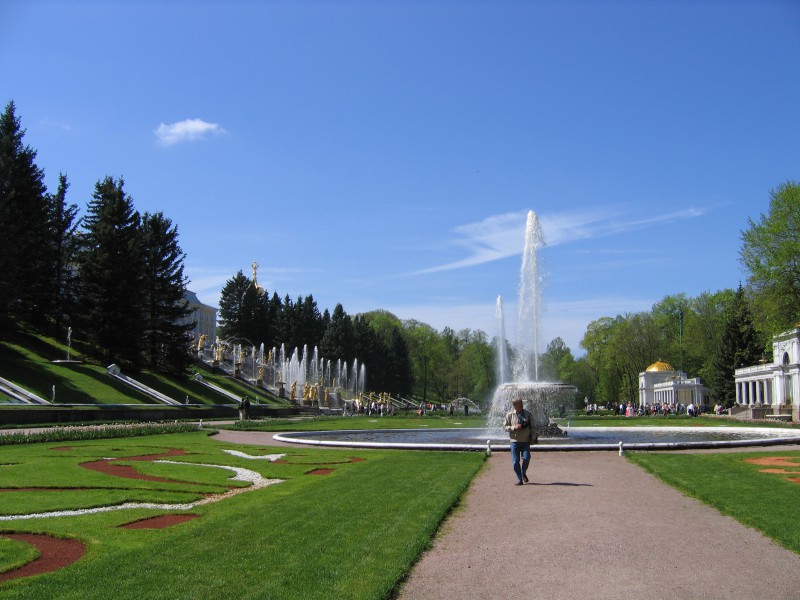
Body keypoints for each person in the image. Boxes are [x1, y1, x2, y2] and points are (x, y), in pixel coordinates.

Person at [503, 398, 535, 486]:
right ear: (514, 405)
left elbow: (533, 427)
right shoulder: (509, 415)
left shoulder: (528, 414)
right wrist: (513, 427)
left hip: (525, 441)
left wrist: (533, 437)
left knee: (526, 458)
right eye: (519, 403)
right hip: (514, 441)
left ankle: (523, 472)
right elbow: (505, 427)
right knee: (515, 461)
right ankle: (519, 479)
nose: (521, 404)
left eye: (521, 403)